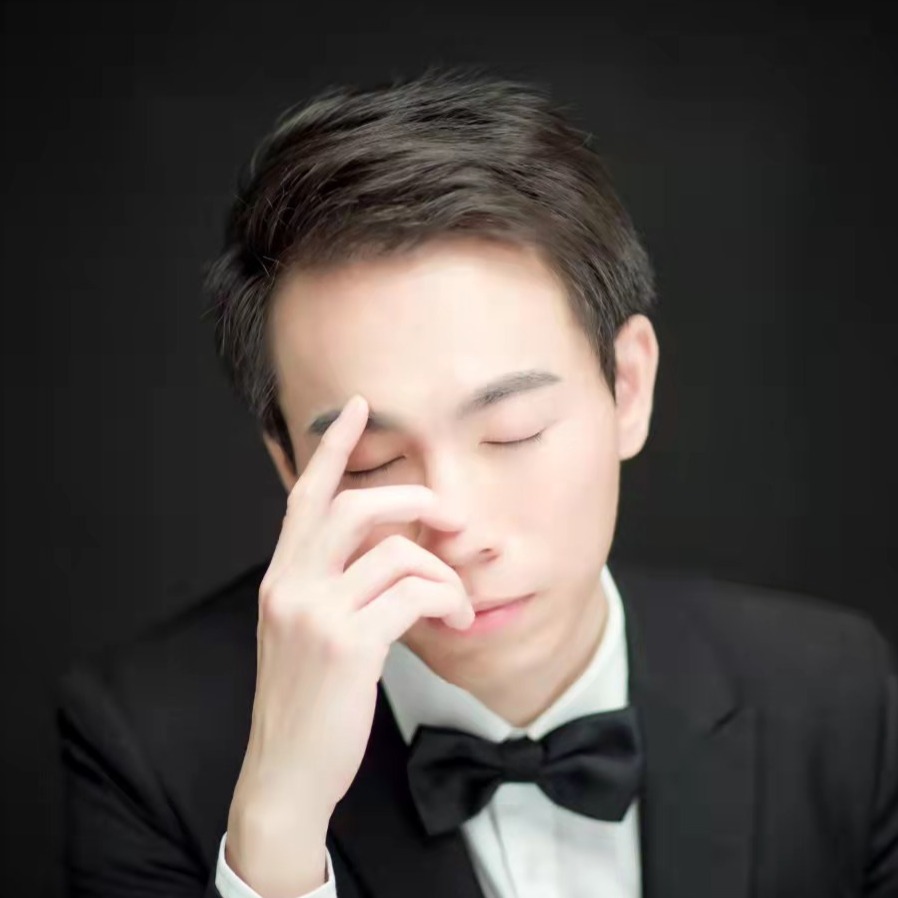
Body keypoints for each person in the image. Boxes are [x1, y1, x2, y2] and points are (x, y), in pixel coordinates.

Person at [56, 67, 898, 898]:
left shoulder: (834, 693)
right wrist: (277, 833)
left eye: (513, 431)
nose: (457, 528)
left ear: (629, 387)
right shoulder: (143, 744)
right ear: (291, 466)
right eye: (372, 462)